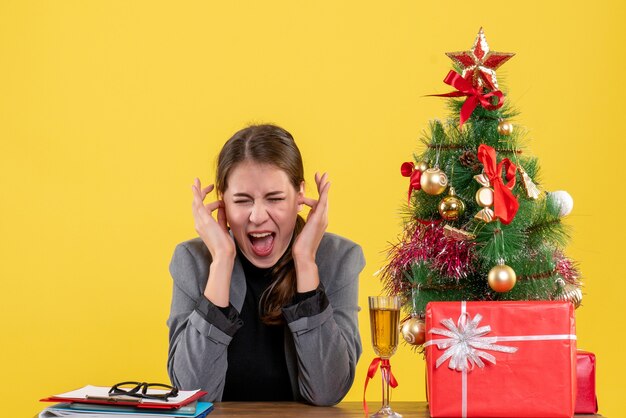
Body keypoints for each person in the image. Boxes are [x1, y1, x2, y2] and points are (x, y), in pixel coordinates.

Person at [166, 124, 365, 406]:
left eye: (275, 198)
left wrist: (306, 262)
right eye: (242, 201)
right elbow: (194, 394)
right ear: (222, 202)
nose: (257, 216)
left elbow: (327, 391)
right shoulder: (192, 261)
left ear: (300, 196)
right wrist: (221, 262)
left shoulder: (338, 259)